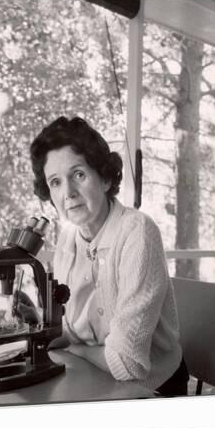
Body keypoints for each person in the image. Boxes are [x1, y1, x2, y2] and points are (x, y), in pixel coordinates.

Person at [28, 116, 189, 396]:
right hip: (94, 376)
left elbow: (128, 365)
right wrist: (46, 331)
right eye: (55, 182)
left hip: (153, 389)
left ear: (103, 178)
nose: (68, 193)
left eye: (78, 174)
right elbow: (71, 329)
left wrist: (74, 348)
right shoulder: (67, 237)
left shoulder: (137, 232)